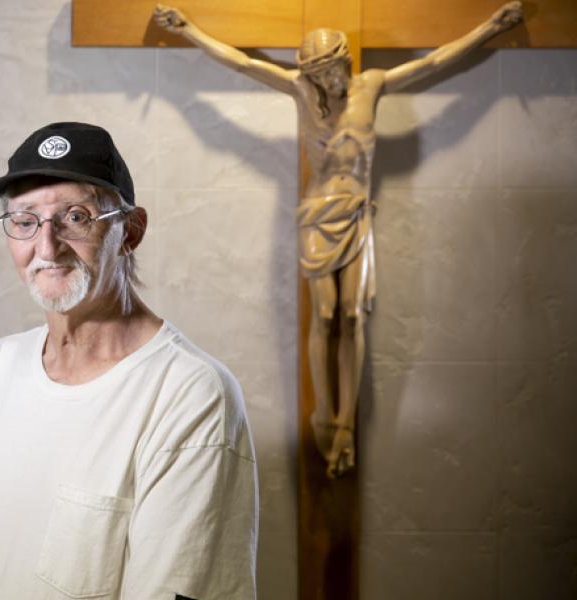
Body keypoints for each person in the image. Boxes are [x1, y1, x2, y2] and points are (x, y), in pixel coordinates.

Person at [153, 1, 524, 478]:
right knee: (325, 314)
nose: (330, 80)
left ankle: (346, 421)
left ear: (346, 62)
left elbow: (434, 62)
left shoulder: (372, 88)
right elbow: (243, 62)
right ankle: (322, 413)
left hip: (356, 216)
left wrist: (491, 26)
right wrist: (189, 30)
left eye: (333, 70)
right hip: (317, 215)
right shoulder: (300, 91)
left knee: (353, 316)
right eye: (321, 73)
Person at [0, 122, 258, 600]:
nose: (47, 247)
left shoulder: (190, 395)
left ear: (130, 231)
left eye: (75, 217)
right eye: (25, 221)